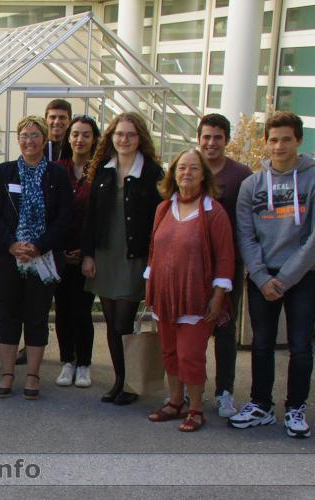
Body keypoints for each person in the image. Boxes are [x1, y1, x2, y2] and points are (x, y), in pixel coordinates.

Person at [231, 111, 315, 439]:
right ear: (265, 142)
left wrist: (288, 277)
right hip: (262, 277)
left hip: (303, 276)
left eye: (286, 139)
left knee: (300, 346)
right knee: (262, 345)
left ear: (298, 141)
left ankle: (296, 408)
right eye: (273, 139)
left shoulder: (311, 179)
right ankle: (260, 405)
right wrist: (263, 277)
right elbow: (245, 235)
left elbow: (312, 238)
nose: (278, 146)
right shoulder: (252, 184)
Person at [145, 148, 235, 432]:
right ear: (173, 173)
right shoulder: (163, 209)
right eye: (182, 167)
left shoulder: (214, 212)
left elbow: (225, 257)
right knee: (170, 353)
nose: (187, 173)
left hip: (197, 298)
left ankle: (196, 408)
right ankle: (175, 402)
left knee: (190, 355)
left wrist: (219, 296)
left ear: (203, 175)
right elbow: (153, 251)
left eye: (194, 168)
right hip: (164, 295)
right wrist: (150, 288)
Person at [0, 116, 72, 400]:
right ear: (18, 139)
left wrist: (39, 245)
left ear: (45, 139)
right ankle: (8, 372)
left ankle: (33, 375)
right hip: (7, 258)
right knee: (7, 317)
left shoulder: (57, 175)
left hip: (43, 258)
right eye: (24, 135)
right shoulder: (4, 172)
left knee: (36, 317)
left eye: (35, 135)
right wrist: (11, 244)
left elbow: (64, 218)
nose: (29, 140)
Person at [81, 112, 164, 406]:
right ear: (111, 138)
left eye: (130, 134)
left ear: (140, 138)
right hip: (105, 255)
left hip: (133, 257)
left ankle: (131, 382)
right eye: (119, 134)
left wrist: (155, 263)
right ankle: (120, 380)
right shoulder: (103, 170)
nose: (124, 139)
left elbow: (160, 221)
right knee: (111, 321)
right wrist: (88, 255)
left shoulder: (153, 173)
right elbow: (90, 217)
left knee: (123, 322)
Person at [196, 113, 252, 418]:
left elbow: (247, 224)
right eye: (206, 137)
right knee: (193, 328)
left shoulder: (241, 175)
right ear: (199, 139)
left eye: (217, 137)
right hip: (194, 266)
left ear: (226, 140)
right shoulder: (191, 169)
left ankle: (225, 391)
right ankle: (194, 388)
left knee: (225, 330)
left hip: (227, 265)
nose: (211, 143)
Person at [52, 116, 100, 388]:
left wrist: (87, 250)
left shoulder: (102, 171)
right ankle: (66, 361)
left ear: (94, 139)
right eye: (75, 134)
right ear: (68, 138)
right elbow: (52, 212)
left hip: (87, 254)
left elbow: (101, 216)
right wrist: (59, 248)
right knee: (62, 309)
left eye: (86, 134)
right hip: (60, 252)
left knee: (83, 310)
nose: (80, 139)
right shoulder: (57, 169)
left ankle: (84, 364)